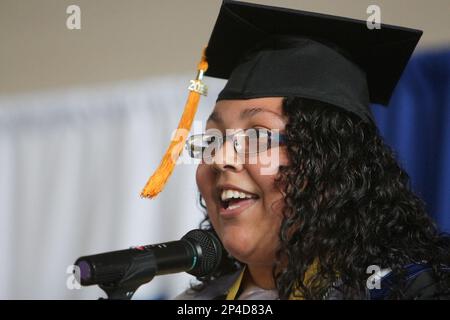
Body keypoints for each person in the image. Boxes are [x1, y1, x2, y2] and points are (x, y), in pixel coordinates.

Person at [142, 1, 450, 299]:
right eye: (213, 138)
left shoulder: (406, 290)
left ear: (333, 163)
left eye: (258, 135)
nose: (221, 157)